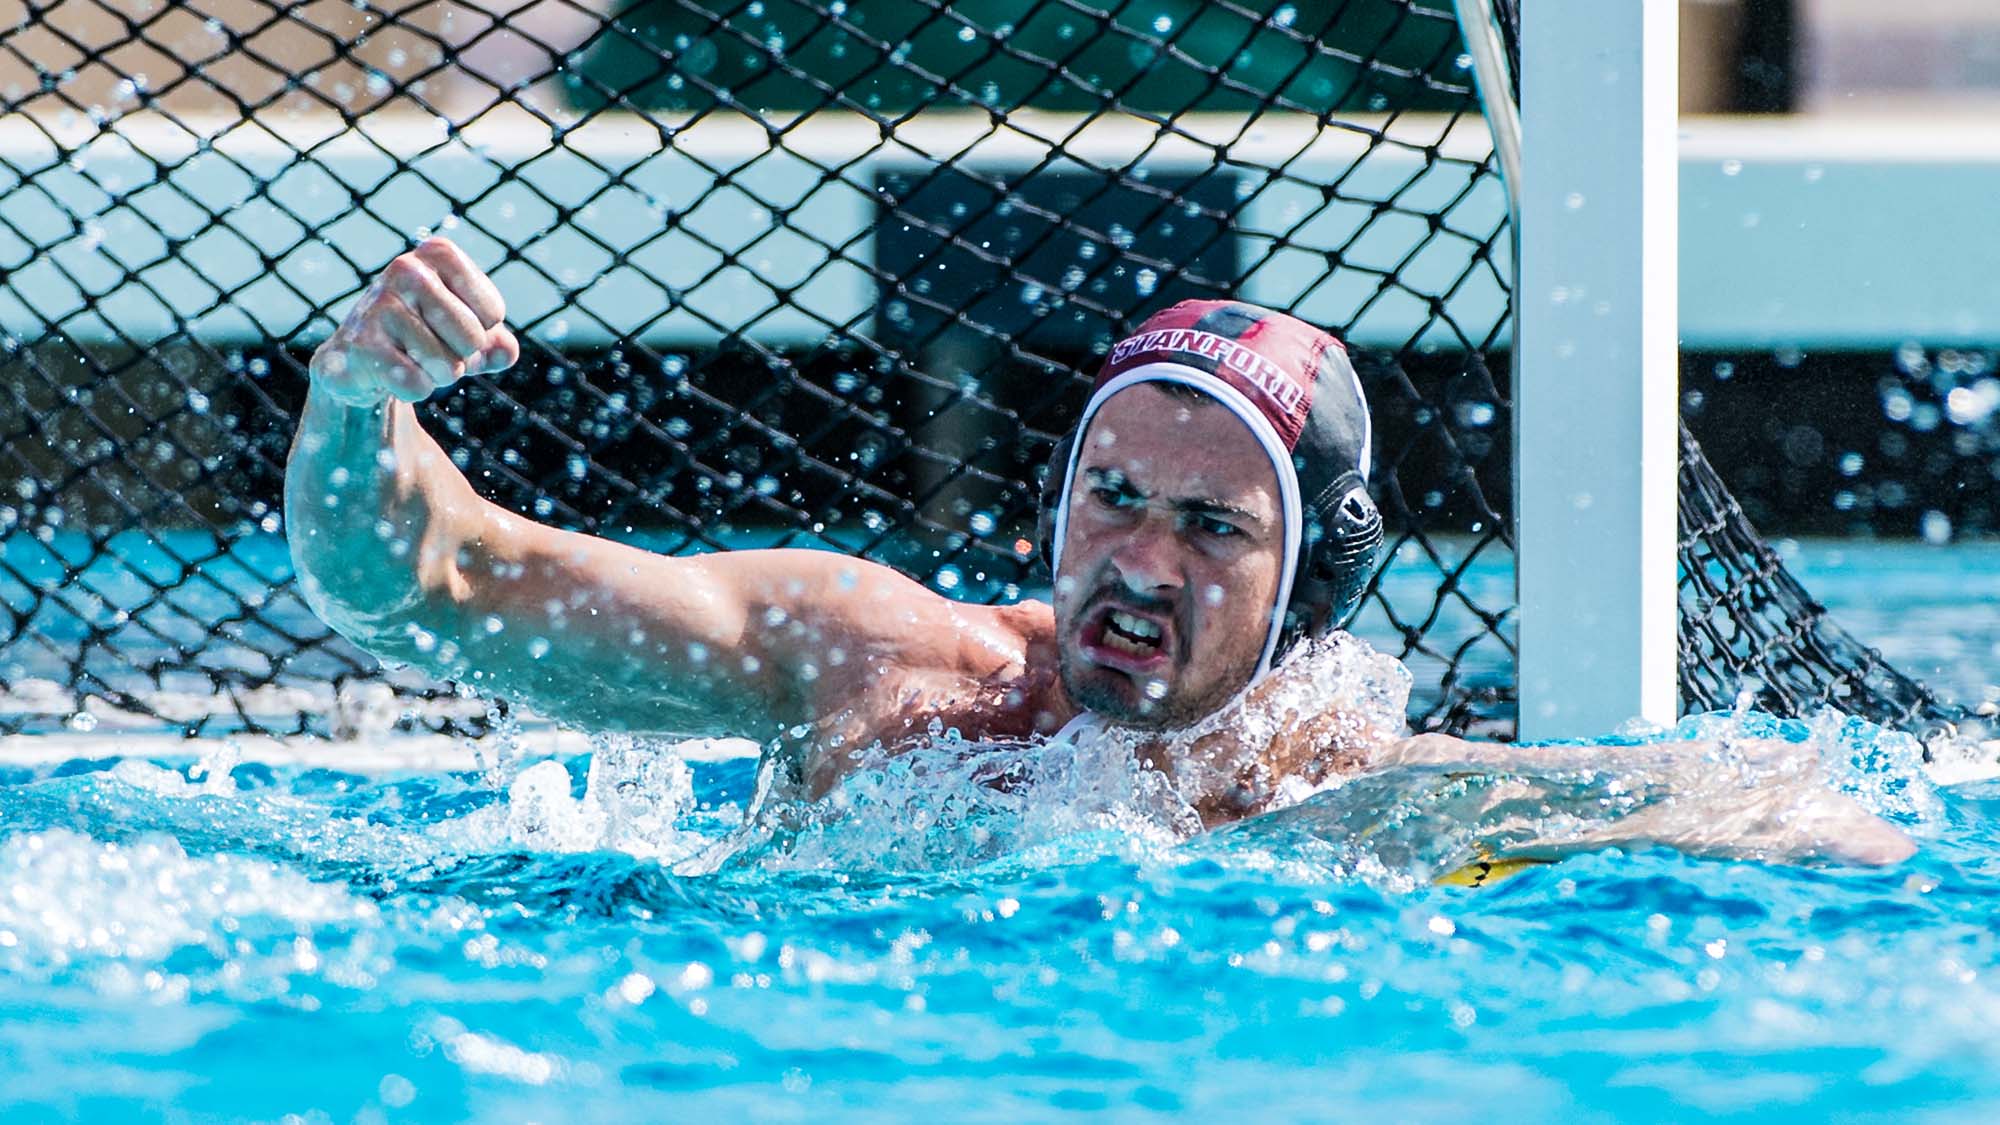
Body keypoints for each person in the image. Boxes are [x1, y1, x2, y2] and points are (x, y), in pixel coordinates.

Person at [287, 237, 1916, 867]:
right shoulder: (872, 657)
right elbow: (425, 586)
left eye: (1214, 527)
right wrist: (354, 402)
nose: (1139, 559)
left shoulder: (1346, 783)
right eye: (1112, 498)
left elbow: (1814, 834)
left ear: (1307, 593)